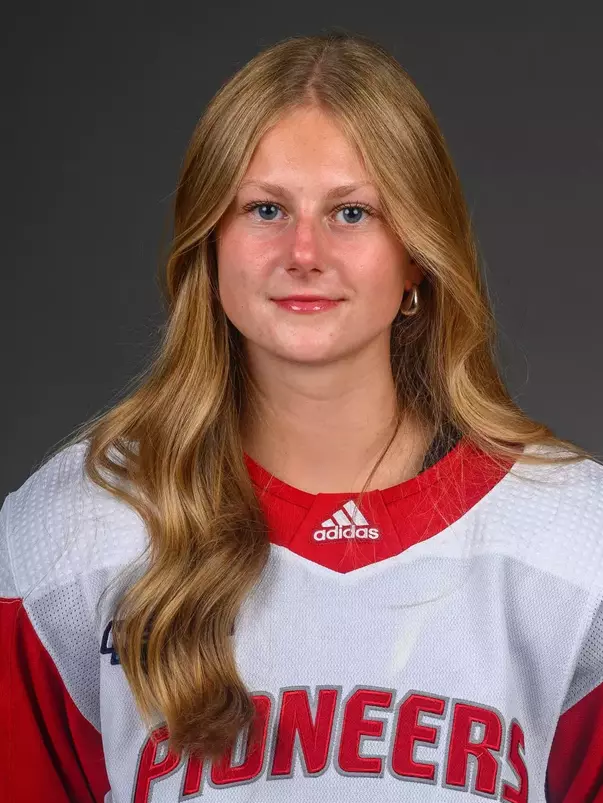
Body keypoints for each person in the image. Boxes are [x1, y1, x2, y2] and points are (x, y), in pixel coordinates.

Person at [2, 28, 602, 803]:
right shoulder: (73, 532)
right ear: (208, 244)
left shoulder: (573, 543)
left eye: (351, 212)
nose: (304, 251)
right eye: (263, 209)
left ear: (416, 252)